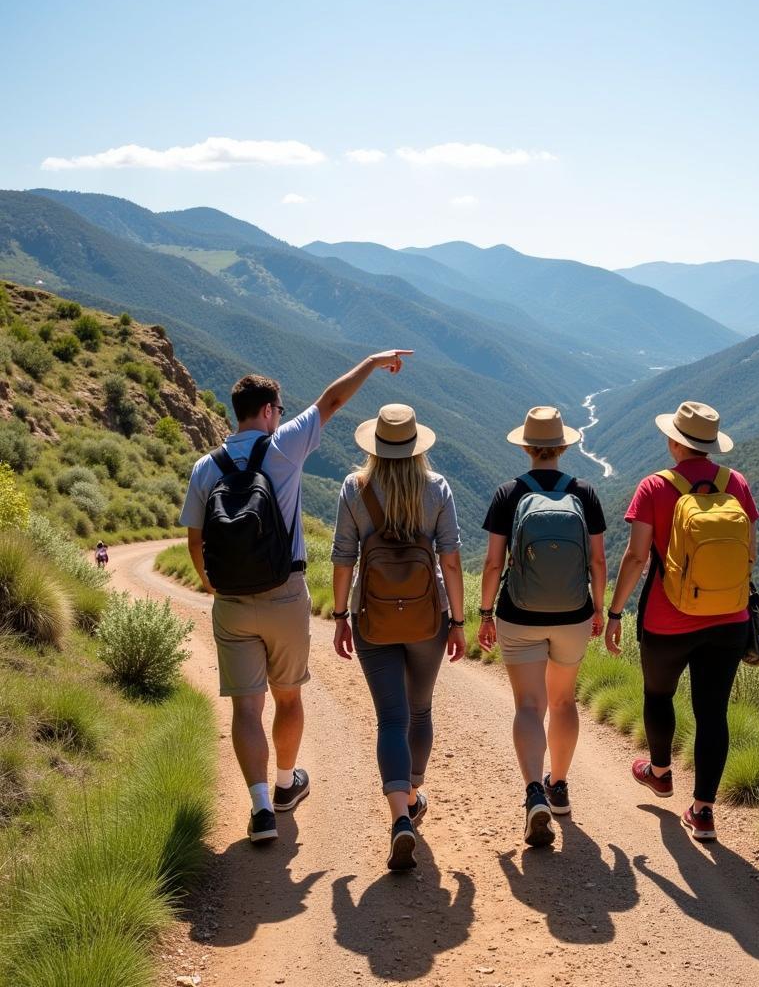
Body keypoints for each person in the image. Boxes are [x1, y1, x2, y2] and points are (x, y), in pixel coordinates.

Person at [180, 350, 412, 845]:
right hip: (285, 593)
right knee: (288, 696)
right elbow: (331, 400)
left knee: (246, 708)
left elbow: (195, 541)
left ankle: (261, 807)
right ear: (267, 412)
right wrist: (371, 363)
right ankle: (287, 784)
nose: (281, 417)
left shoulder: (205, 468)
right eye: (279, 410)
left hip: (232, 603)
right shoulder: (283, 447)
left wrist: (210, 583)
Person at [605, 401, 758, 842]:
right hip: (729, 618)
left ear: (675, 441)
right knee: (713, 712)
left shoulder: (654, 487)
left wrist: (615, 612)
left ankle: (660, 772)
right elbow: (750, 553)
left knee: (658, 693)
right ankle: (704, 812)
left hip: (667, 618)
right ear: (709, 445)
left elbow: (636, 557)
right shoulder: (737, 484)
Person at [331, 403, 466, 872]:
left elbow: (343, 557)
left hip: (372, 616)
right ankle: (412, 791)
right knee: (420, 710)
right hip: (430, 617)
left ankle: (400, 819)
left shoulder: (356, 487)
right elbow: (449, 560)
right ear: (416, 446)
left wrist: (339, 615)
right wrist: (460, 621)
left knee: (391, 718)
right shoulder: (437, 488)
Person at [478, 406, 607, 847]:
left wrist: (482, 612)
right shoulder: (584, 493)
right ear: (564, 446)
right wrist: (599, 609)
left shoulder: (508, 494)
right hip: (574, 613)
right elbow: (597, 560)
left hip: (519, 612)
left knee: (529, 706)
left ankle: (533, 790)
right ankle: (559, 786)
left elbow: (495, 562)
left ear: (527, 447)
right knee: (564, 700)